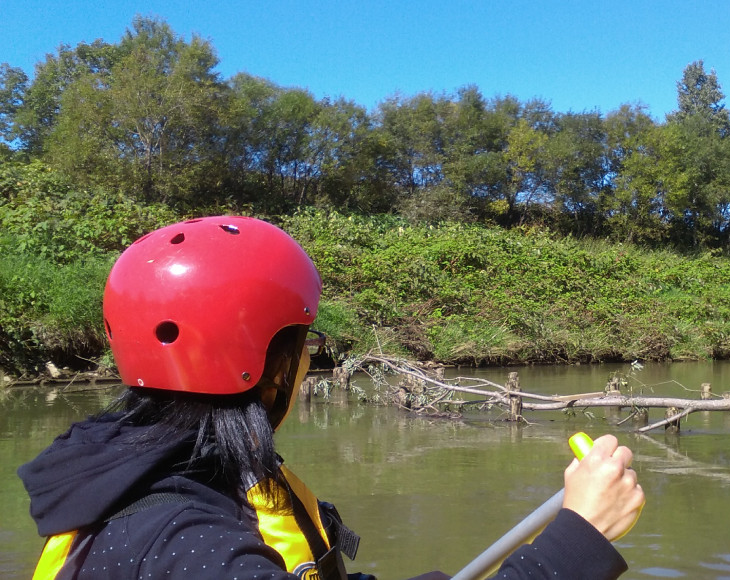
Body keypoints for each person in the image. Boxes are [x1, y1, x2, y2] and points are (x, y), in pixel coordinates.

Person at [18, 216, 644, 580]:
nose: (310, 362)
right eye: (304, 343)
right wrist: (579, 538)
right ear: (266, 366)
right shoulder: (184, 546)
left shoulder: (185, 478)